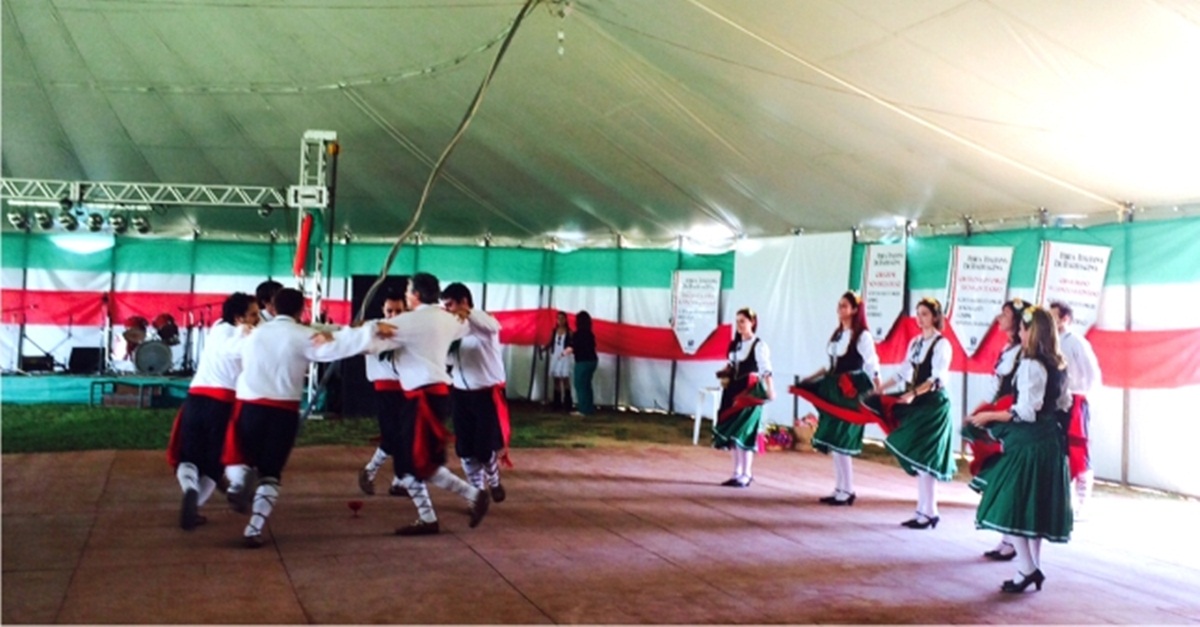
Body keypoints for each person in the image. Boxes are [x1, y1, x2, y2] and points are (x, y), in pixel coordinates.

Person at [222, 288, 392, 548]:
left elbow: (231, 351)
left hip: (249, 405)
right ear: (300, 311)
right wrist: (370, 330)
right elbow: (338, 346)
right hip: (282, 410)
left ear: (273, 309)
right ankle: (253, 527)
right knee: (271, 471)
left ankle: (238, 480)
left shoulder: (255, 334)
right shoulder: (303, 335)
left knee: (243, 454)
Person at [372, 272, 490, 536]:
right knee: (412, 462)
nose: (405, 295)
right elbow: (467, 324)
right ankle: (432, 515)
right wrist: (465, 313)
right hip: (428, 397)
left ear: (415, 294)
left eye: (408, 291)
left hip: (424, 398)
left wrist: (354, 332)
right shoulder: (445, 319)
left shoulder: (410, 321)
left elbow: (375, 339)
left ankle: (469, 496)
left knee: (413, 462)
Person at [968, 306, 1073, 593]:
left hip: (1031, 443)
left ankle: (1027, 569)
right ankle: (1030, 567)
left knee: (1010, 503)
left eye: (1024, 329)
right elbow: (1064, 405)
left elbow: (1026, 411)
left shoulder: (1031, 364)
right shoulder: (1058, 365)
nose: (1020, 333)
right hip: (1050, 442)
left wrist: (989, 416)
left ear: (1032, 331)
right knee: (1033, 507)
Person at [166, 292, 259, 530]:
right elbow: (239, 348)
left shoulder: (218, 327)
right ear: (240, 318)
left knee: (187, 454)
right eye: (254, 315)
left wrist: (247, 330)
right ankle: (197, 503)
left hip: (195, 399)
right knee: (213, 463)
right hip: (222, 405)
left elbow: (234, 340)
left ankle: (189, 489)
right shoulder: (244, 339)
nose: (258, 319)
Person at [864, 297, 956, 529]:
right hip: (916, 402)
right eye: (918, 313)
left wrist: (914, 393)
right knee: (919, 459)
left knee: (925, 459)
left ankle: (929, 511)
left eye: (925, 313)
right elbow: (903, 371)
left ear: (935, 317)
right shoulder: (916, 342)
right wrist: (879, 390)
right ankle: (923, 511)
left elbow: (937, 378)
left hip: (933, 404)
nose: (920, 318)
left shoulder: (942, 344)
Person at [793, 292, 879, 505]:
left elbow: (872, 364)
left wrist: (877, 391)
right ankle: (840, 487)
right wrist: (809, 379)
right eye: (839, 306)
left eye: (844, 306)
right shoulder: (838, 335)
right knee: (835, 439)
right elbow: (830, 366)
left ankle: (848, 489)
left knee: (842, 439)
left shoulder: (862, 336)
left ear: (855, 310)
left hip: (850, 391)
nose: (840, 310)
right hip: (834, 388)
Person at [963, 298, 1025, 561]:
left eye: (1006, 314)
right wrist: (976, 412)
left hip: (1010, 419)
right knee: (999, 476)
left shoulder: (1025, 353)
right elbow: (993, 387)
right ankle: (1006, 539)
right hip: (997, 412)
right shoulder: (1007, 350)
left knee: (1007, 477)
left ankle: (1012, 542)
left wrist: (991, 414)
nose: (1000, 318)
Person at [442, 282, 510, 503]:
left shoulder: (483, 323)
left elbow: (493, 326)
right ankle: (477, 493)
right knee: (464, 448)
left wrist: (467, 313)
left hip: (485, 395)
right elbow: (449, 360)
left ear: (463, 302)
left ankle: (494, 479)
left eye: (450, 305)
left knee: (483, 448)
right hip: (461, 394)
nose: (447, 310)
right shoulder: (455, 332)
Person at [1049, 301, 1102, 518]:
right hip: (1055, 403)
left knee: (1078, 449)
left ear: (1065, 319)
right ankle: (1064, 499)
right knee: (1060, 450)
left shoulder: (1077, 343)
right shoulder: (1048, 342)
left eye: (1054, 317)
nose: (1050, 321)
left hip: (1076, 400)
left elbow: (1092, 374)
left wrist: (1083, 397)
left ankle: (1082, 502)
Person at [712, 307, 775, 487]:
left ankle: (746, 474)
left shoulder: (759, 346)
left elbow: (766, 370)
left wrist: (771, 390)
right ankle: (737, 472)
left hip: (750, 391)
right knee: (733, 431)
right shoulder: (735, 345)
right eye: (737, 321)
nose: (739, 325)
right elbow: (732, 365)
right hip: (733, 389)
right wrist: (724, 372)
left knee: (745, 432)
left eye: (743, 321)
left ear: (752, 322)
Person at [357, 285, 409, 497]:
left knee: (405, 437)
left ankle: (399, 481)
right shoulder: (372, 328)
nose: (394, 316)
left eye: (398, 311)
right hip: (385, 389)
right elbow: (358, 343)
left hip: (408, 389)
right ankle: (370, 471)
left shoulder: (410, 329)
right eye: (390, 311)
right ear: (382, 309)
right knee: (391, 436)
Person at [566, 310, 598, 416]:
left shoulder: (578, 334)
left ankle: (583, 409)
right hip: (592, 361)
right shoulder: (590, 334)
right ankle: (588, 408)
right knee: (587, 385)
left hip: (582, 362)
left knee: (580, 385)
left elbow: (575, 347)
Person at [545, 311, 573, 412]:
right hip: (555, 356)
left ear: (566, 320)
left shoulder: (569, 332)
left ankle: (568, 404)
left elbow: (572, 345)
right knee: (556, 380)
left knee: (565, 380)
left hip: (565, 356)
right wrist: (544, 348)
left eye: (562, 318)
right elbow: (550, 342)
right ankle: (557, 403)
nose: (560, 320)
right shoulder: (554, 331)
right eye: (558, 318)